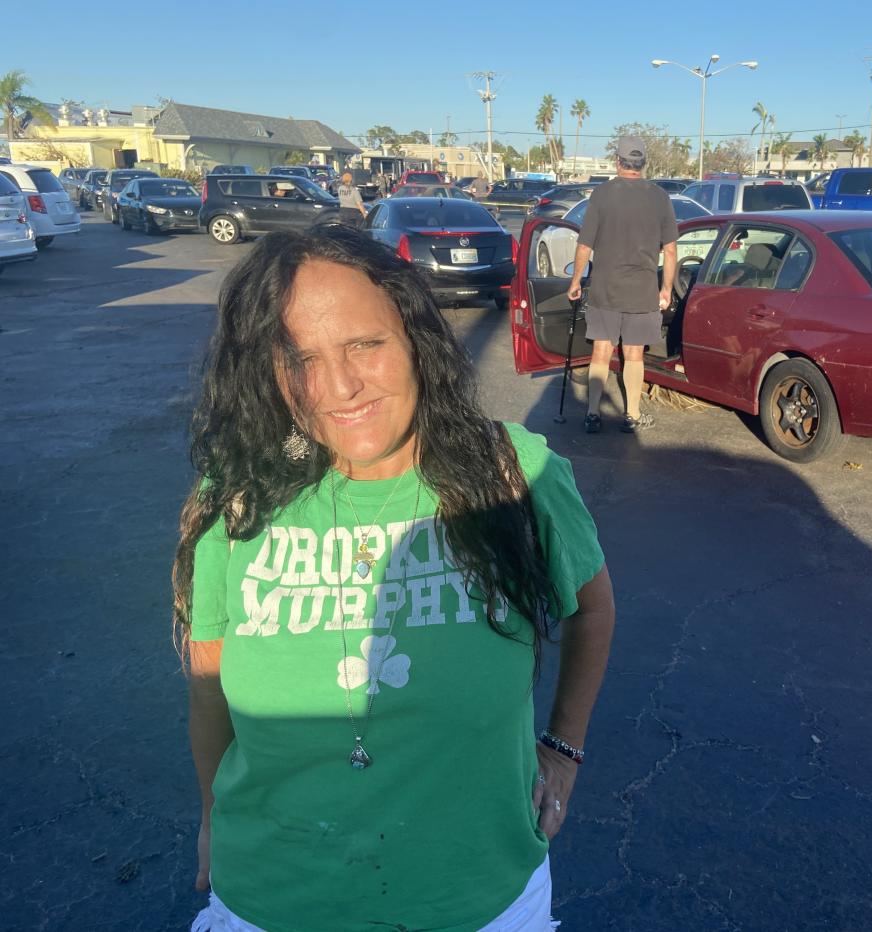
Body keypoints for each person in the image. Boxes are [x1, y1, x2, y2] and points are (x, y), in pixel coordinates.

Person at [176, 226, 615, 932]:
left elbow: (592, 611)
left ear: (414, 336)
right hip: (270, 900)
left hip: (480, 900)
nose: (338, 388)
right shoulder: (237, 497)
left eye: (365, 345)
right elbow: (209, 687)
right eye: (301, 358)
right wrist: (208, 818)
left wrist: (563, 752)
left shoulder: (514, 474)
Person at [567, 135, 677, 433]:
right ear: (643, 164)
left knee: (601, 351)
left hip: (605, 288)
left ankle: (592, 414)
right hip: (642, 291)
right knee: (634, 354)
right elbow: (669, 250)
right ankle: (632, 414)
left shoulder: (601, 195)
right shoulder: (660, 197)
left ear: (618, 162)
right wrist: (666, 288)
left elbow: (584, 245)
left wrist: (575, 280)